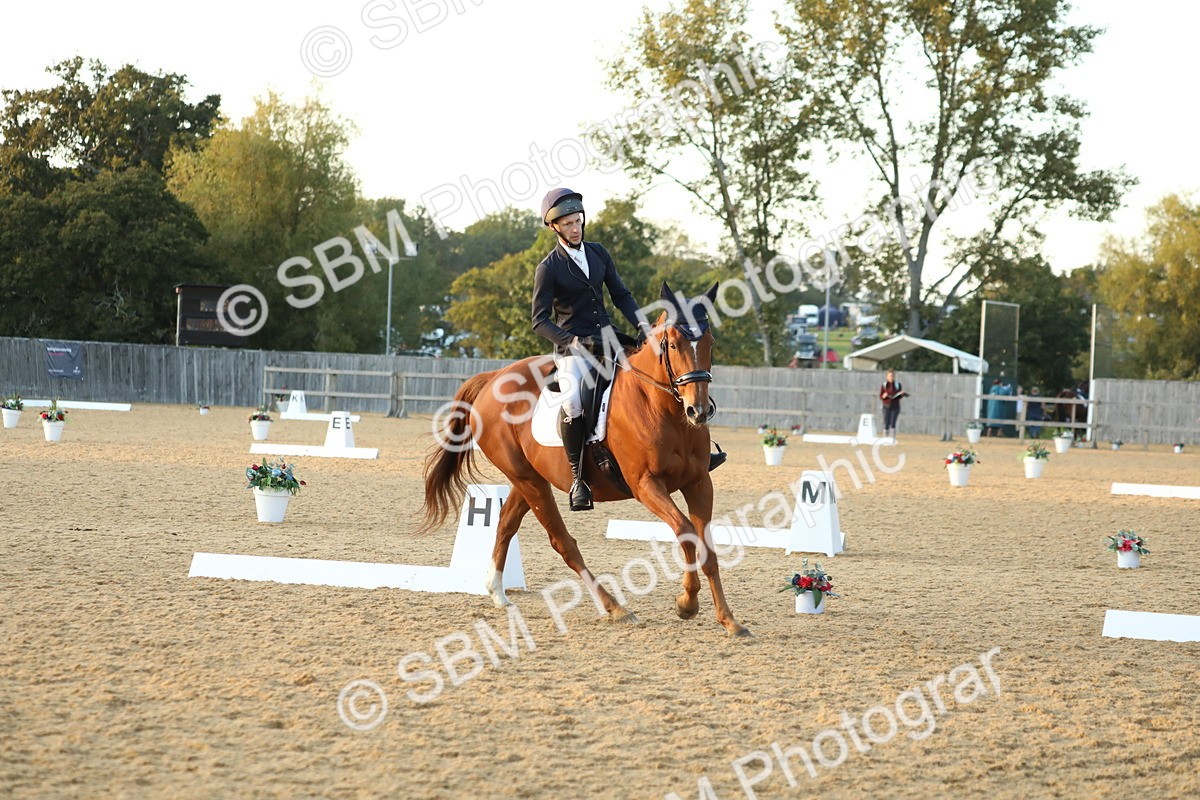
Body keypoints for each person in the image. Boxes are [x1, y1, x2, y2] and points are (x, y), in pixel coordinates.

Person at [531, 188, 652, 512]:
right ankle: (578, 479)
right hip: (575, 348)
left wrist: (643, 327)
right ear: (554, 228)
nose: (575, 228)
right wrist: (570, 341)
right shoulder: (549, 267)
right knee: (573, 402)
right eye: (568, 224)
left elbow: (621, 295)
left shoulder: (598, 253)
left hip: (610, 338)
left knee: (660, 371)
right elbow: (539, 321)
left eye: (578, 221)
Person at [879, 369, 907, 439]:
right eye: (890, 376)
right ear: (887, 377)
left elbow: (900, 396)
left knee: (893, 422)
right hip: (886, 405)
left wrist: (902, 394)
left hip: (895, 406)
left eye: (893, 376)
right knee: (886, 421)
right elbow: (881, 395)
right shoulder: (884, 385)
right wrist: (884, 396)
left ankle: (892, 438)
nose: (891, 377)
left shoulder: (898, 385)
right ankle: (885, 437)